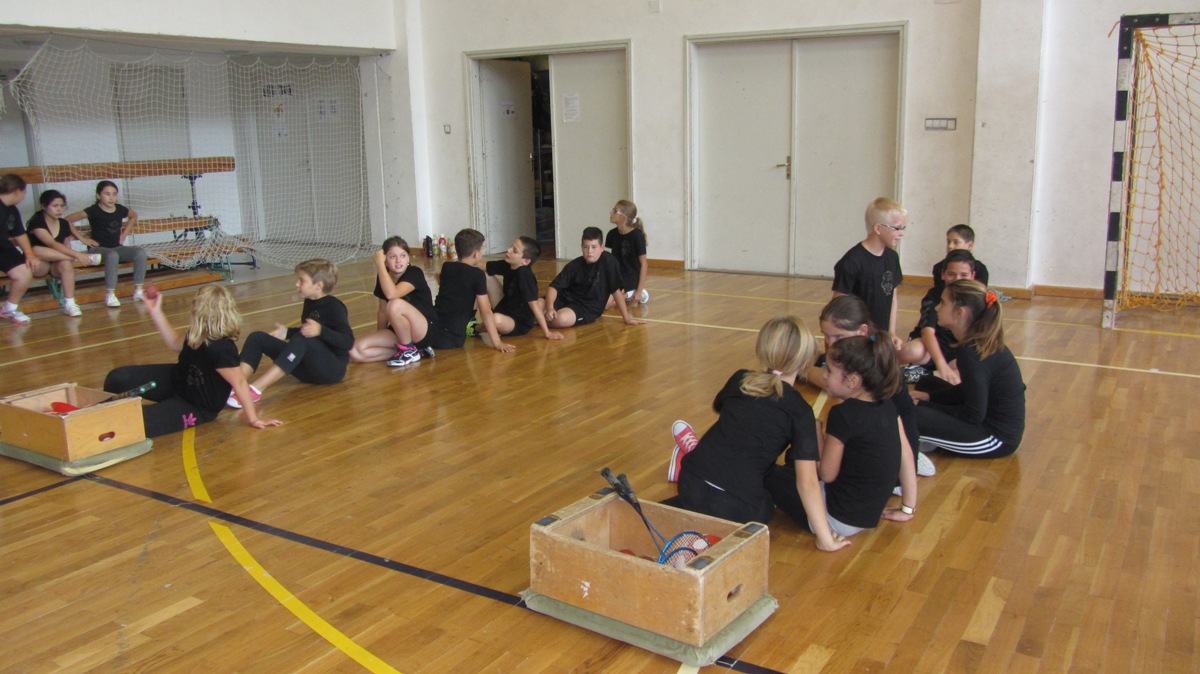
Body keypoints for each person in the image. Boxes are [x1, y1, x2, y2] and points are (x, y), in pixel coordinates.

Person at [666, 316, 850, 552]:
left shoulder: (740, 379)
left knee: (720, 485)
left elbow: (722, 410)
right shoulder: (800, 411)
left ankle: (687, 506)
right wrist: (825, 539)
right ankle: (702, 531)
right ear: (806, 361)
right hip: (733, 503)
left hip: (690, 480)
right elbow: (807, 482)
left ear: (763, 349)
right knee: (765, 508)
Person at [103, 285, 281, 437]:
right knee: (117, 378)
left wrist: (254, 419)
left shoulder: (221, 348)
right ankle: (98, 409)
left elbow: (240, 382)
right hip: (177, 382)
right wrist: (155, 311)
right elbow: (174, 343)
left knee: (139, 421)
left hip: (195, 406)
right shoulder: (196, 334)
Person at [798, 330, 918, 536]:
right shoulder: (887, 405)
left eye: (829, 371)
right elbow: (905, 455)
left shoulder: (843, 415)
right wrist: (908, 507)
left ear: (852, 381)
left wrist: (815, 433)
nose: (824, 375)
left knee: (772, 475)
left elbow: (826, 474)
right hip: (868, 516)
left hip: (835, 518)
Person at [806, 295, 933, 478]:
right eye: (826, 335)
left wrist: (801, 369)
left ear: (863, 330)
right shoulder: (871, 352)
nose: (831, 343)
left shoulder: (870, 366)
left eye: (838, 336)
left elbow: (830, 386)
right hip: (890, 449)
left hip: (889, 456)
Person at [912, 279, 1026, 459]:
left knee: (910, 414)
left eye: (943, 303)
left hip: (995, 440)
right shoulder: (975, 343)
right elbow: (968, 390)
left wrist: (925, 405)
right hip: (984, 417)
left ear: (960, 312)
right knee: (927, 384)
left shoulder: (971, 353)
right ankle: (931, 434)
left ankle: (916, 451)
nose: (937, 308)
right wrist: (929, 397)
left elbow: (973, 414)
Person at [228, 259, 354, 408]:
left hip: (331, 371)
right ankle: (237, 384)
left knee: (303, 338)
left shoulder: (334, 307)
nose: (296, 284)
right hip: (308, 369)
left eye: (302, 280)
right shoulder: (309, 302)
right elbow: (308, 332)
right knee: (257, 338)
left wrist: (321, 331)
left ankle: (256, 390)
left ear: (318, 285)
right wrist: (287, 332)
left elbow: (348, 341)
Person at [414, 228, 515, 362]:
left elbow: (438, 275)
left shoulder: (447, 267)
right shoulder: (477, 275)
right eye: (482, 250)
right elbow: (486, 312)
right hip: (452, 338)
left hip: (433, 328)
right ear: (475, 253)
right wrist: (497, 342)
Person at [348, 237, 436, 365]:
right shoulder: (384, 277)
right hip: (399, 331)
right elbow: (383, 311)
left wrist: (379, 265)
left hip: (423, 329)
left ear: (408, 258)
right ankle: (416, 351)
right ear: (385, 259)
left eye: (403, 256)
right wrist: (380, 336)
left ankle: (409, 350)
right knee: (355, 351)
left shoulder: (414, 273)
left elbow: (392, 294)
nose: (398, 260)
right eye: (392, 257)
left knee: (394, 304)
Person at [832, 196, 906, 347]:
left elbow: (892, 297)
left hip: (880, 339)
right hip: (857, 340)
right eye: (897, 228)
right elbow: (839, 306)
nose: (901, 233)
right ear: (878, 228)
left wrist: (891, 332)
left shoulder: (892, 258)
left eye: (903, 228)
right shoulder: (852, 262)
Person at [898, 249, 977, 385]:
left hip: (956, 351)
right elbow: (927, 332)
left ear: (972, 275)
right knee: (911, 351)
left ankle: (922, 374)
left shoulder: (976, 299)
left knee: (965, 372)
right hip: (931, 346)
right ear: (943, 274)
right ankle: (891, 370)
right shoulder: (934, 295)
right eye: (951, 274)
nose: (957, 279)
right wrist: (941, 365)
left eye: (963, 275)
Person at [1, 175, 72, 324]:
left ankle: (9, 308)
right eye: (24, 192)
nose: (23, 196)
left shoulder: (12, 210)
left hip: (3, 249)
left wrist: (29, 254)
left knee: (25, 271)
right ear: (17, 191)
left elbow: (19, 234)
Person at [65, 180, 149, 308]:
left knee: (140, 252)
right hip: (97, 250)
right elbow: (67, 220)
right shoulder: (93, 210)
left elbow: (134, 215)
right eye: (107, 194)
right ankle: (110, 294)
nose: (111, 197)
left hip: (116, 247)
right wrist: (83, 239)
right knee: (112, 255)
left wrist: (124, 234)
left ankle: (138, 290)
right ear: (98, 196)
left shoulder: (120, 209)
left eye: (114, 194)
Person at [544, 227, 643, 329]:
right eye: (586, 247)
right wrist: (549, 307)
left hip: (586, 308)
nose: (589, 251)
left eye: (594, 247)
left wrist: (626, 318)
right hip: (564, 299)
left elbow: (616, 291)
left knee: (560, 319)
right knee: (537, 305)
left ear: (602, 247)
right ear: (581, 247)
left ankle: (540, 320)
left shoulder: (609, 262)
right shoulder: (575, 265)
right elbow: (554, 287)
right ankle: (541, 318)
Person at [26, 190, 102, 318]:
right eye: (55, 206)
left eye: (62, 206)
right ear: (44, 206)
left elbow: (66, 246)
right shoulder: (37, 222)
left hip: (56, 265)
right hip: (39, 265)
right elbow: (51, 243)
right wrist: (77, 256)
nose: (59, 209)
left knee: (66, 263)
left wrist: (71, 261)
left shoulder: (64, 224)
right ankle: (75, 259)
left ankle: (70, 304)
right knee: (37, 250)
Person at [484, 236, 562, 341]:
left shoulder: (525, 276)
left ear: (525, 261)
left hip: (517, 322)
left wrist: (547, 333)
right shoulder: (509, 264)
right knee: (483, 274)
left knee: (495, 319)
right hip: (504, 306)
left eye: (514, 251)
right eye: (511, 246)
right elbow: (482, 265)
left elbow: (534, 307)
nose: (508, 250)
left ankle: (475, 328)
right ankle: (472, 316)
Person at [604, 200, 649, 305]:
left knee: (607, 304)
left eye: (615, 211)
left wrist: (638, 291)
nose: (611, 212)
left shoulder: (637, 236)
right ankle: (627, 295)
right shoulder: (611, 234)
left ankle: (634, 292)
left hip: (630, 278)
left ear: (624, 217)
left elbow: (644, 264)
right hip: (616, 276)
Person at [932, 224, 989, 288]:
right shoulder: (938, 267)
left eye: (956, 242)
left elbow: (979, 292)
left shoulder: (980, 269)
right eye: (948, 242)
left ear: (970, 245)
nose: (950, 246)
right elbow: (939, 291)